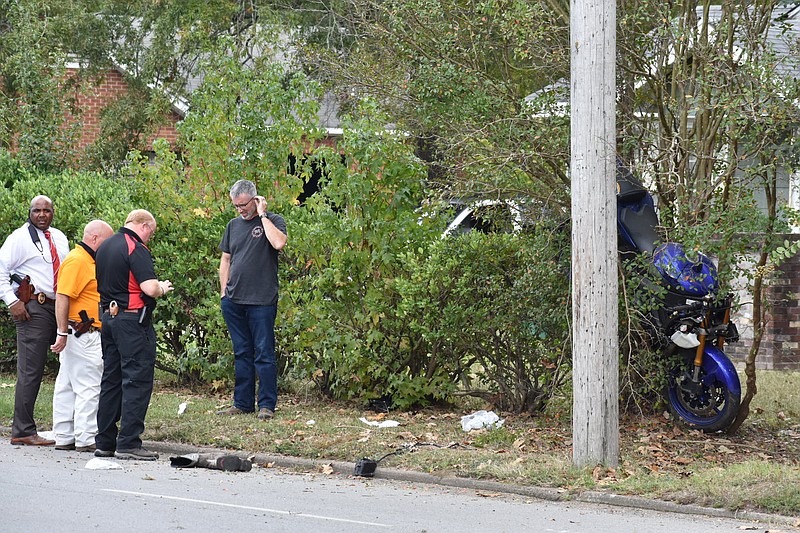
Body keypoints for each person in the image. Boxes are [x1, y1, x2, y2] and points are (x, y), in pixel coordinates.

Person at [94, 210, 173, 460]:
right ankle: (128, 442)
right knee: (136, 381)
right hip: (132, 321)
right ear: (144, 225)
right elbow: (148, 287)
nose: (151, 237)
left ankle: (104, 442)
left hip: (108, 318)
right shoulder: (135, 247)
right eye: (152, 231)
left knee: (111, 380)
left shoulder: (105, 247)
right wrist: (162, 287)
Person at [0, 195, 69, 446]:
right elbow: (1, 269)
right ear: (29, 212)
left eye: (47, 210)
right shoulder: (19, 238)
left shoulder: (59, 237)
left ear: (53, 212)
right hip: (34, 306)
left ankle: (72, 427)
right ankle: (22, 430)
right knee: (31, 370)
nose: (42, 215)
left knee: (72, 364)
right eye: (37, 210)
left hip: (59, 305)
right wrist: (12, 301)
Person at [216, 179, 287, 421]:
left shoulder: (273, 221)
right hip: (234, 301)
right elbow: (225, 259)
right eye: (236, 206)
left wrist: (263, 215)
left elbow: (278, 243)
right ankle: (242, 402)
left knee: (264, 353)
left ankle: (266, 404)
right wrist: (224, 292)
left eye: (244, 205)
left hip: (262, 301)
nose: (240, 210)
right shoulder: (233, 226)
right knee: (241, 352)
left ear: (255, 200)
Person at [49, 220, 114, 452]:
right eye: (107, 241)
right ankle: (86, 437)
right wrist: (61, 332)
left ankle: (64, 435)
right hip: (84, 333)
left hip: (77, 332)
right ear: (94, 239)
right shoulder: (78, 260)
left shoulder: (86, 260)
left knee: (66, 384)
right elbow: (63, 296)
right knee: (90, 385)